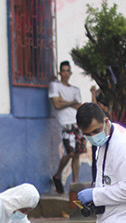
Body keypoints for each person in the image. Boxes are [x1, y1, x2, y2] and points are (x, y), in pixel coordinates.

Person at [48, 61, 85, 194]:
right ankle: (57, 175)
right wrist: (71, 103)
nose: (65, 73)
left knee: (77, 155)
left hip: (77, 124)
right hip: (65, 125)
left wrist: (64, 101)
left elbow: (78, 106)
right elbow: (56, 105)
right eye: (63, 70)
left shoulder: (75, 89)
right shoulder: (55, 86)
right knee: (69, 152)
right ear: (59, 72)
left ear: (70, 73)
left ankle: (75, 183)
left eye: (67, 71)